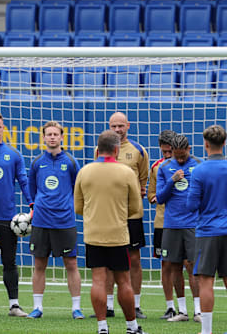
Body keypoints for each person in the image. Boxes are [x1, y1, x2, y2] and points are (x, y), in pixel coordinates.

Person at [75, 130, 146, 334]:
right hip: (118, 234)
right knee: (123, 280)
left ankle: (102, 327)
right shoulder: (126, 173)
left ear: (97, 150)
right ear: (117, 149)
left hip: (93, 234)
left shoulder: (85, 171)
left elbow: (78, 207)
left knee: (98, 280)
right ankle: (132, 327)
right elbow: (136, 209)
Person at [186, 125, 227, 334]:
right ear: (224, 143)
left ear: (205, 144)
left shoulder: (199, 171)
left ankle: (206, 331)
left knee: (206, 282)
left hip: (207, 232)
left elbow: (191, 205)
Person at [26, 121, 83, 319]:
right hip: (41, 221)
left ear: (61, 137)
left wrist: (69, 206)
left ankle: (76, 308)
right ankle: (38, 308)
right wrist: (37, 206)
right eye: (48, 134)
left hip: (65, 221)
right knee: (39, 265)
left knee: (71, 264)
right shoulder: (36, 162)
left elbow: (79, 187)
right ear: (43, 138)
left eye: (55, 134)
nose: (52, 137)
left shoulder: (71, 161)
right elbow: (32, 189)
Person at [0, 112, 31, 317]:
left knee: (9, 261)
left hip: (7, 217)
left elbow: (23, 181)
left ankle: (14, 305)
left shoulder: (13, 154)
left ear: (4, 128)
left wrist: (32, 204)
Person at [102, 112, 150, 319]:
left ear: (128, 126)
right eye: (114, 126)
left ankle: (136, 305)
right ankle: (109, 306)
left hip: (131, 214)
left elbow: (143, 182)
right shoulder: (101, 150)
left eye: (121, 126)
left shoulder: (139, 151)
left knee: (134, 258)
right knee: (108, 260)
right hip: (108, 214)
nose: (118, 130)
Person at [155, 134, 201, 323]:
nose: (180, 159)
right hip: (172, 224)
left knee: (192, 267)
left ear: (189, 149)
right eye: (177, 156)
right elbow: (160, 197)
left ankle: (198, 311)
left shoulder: (200, 165)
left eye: (183, 155)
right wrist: (171, 181)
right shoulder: (165, 168)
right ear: (172, 152)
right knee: (174, 266)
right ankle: (182, 311)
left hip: (193, 224)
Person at [147, 130, 179, 319]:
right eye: (164, 152)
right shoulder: (156, 167)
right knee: (166, 265)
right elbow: (151, 194)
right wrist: (158, 197)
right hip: (162, 224)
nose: (167, 156)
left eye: (170, 152)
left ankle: (196, 307)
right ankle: (170, 306)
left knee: (187, 265)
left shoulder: (189, 166)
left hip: (184, 224)